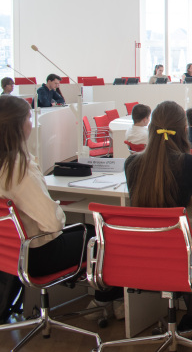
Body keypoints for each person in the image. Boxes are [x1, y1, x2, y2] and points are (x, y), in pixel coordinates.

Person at [0, 97, 123, 316]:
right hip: (37, 256)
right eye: (29, 117)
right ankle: (105, 300)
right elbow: (52, 224)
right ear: (18, 125)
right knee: (105, 235)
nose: (32, 123)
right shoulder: (20, 168)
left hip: (8, 255)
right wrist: (57, 208)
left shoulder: (7, 165)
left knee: (85, 230)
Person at [125, 101, 192, 331]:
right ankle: (191, 318)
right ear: (184, 130)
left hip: (142, 254)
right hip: (179, 256)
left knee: (186, 251)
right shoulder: (187, 162)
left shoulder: (131, 163)